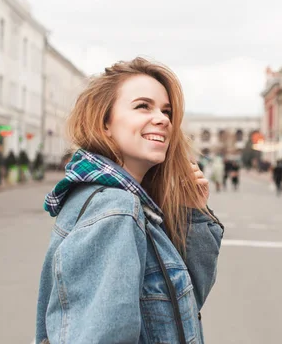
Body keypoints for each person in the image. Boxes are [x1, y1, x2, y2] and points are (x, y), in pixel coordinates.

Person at [36, 58, 224, 344]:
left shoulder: (124, 201)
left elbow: (178, 310)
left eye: (167, 110)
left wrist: (192, 213)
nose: (162, 119)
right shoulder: (116, 210)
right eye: (142, 106)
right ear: (105, 123)